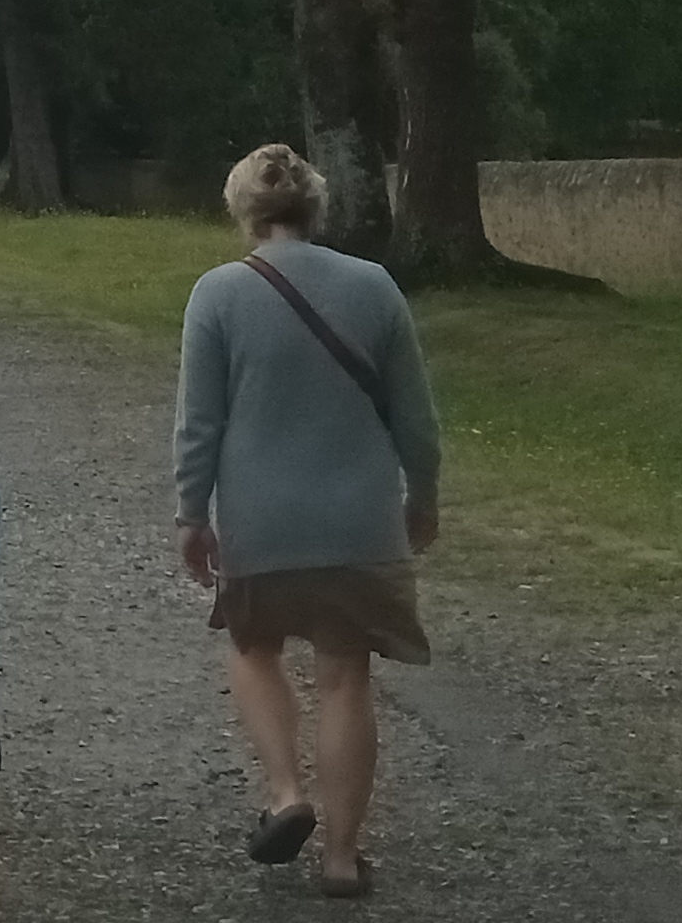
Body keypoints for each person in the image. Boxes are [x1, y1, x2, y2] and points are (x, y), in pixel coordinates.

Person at [173, 145, 443, 900]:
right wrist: (423, 494)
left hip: (262, 522)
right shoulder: (375, 286)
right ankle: (343, 857)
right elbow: (415, 417)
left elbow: (199, 424)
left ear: (243, 210)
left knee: (252, 648)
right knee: (346, 674)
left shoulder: (218, 293)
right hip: (359, 521)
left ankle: (287, 792)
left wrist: (191, 514)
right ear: (317, 206)